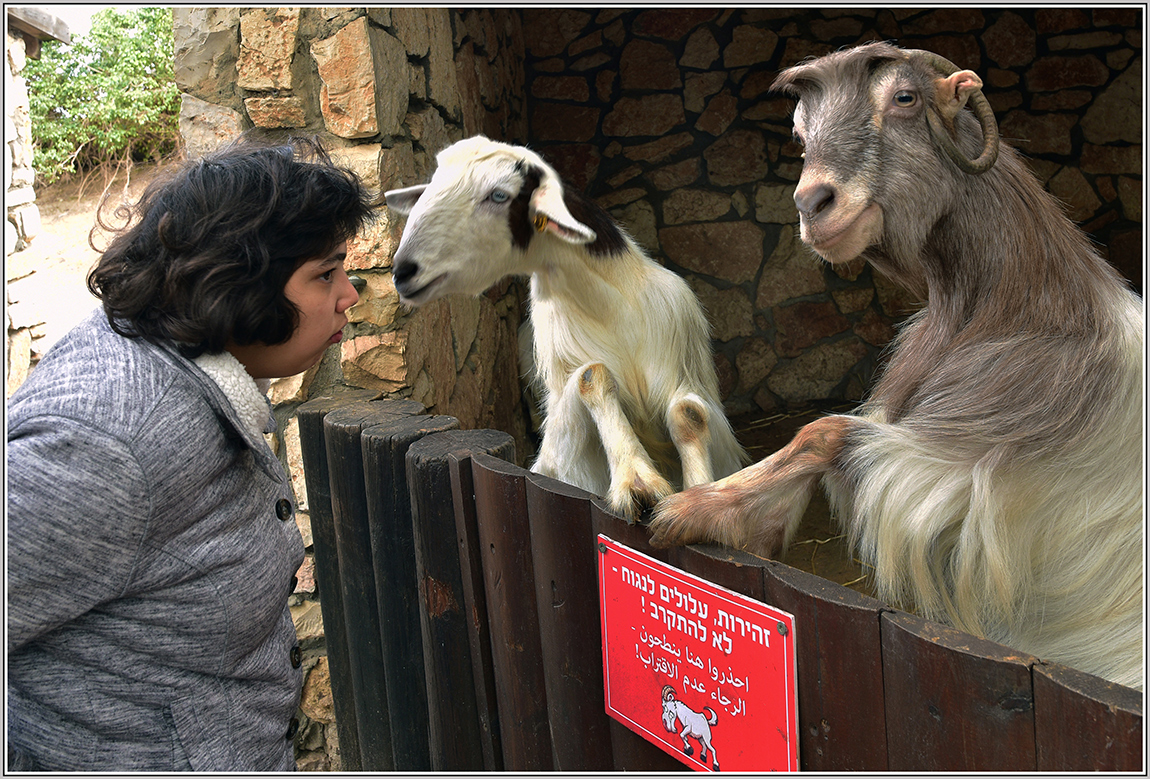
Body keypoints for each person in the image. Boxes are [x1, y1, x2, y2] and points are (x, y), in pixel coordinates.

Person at [7, 136, 374, 771]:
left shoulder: (185, 363)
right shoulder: (112, 440)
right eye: (324, 274)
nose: (350, 295)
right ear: (236, 279)